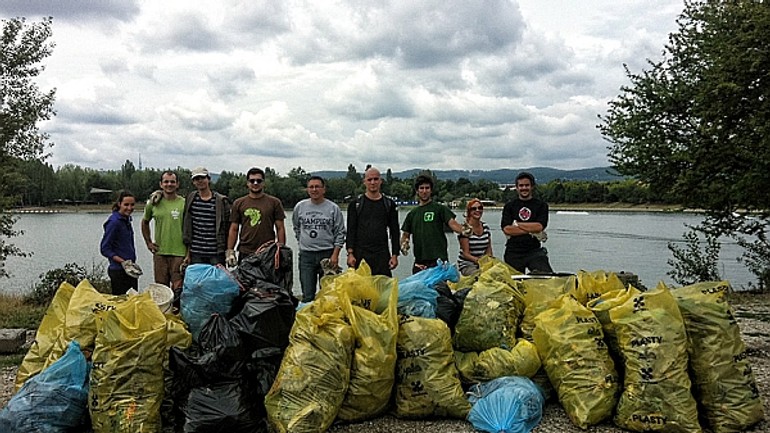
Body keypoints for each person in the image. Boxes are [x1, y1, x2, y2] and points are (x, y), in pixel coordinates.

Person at [292, 176, 346, 302]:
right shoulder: (300, 207)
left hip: (327, 254)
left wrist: (335, 255)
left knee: (329, 295)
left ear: (323, 189)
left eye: (317, 186)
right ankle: (308, 320)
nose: (314, 189)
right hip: (306, 256)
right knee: (308, 294)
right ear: (307, 189)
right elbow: (296, 227)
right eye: (311, 187)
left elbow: (340, 232)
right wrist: (302, 242)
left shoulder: (333, 208)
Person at [400, 174, 467, 274]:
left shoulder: (440, 209)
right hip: (420, 263)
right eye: (421, 188)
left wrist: (465, 230)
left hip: (439, 261)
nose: (424, 191)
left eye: (427, 188)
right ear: (417, 191)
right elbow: (405, 235)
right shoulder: (412, 214)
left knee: (440, 289)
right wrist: (403, 245)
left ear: (431, 190)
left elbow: (453, 224)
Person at [346, 167, 401, 277]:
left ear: (381, 181)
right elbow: (351, 231)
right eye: (370, 179)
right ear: (364, 182)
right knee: (360, 291)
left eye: (376, 179)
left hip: (382, 255)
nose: (373, 182)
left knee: (383, 290)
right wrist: (350, 254)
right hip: (360, 254)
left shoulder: (389, 204)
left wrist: (395, 255)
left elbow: (394, 232)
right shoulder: (355, 205)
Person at [227, 167, 286, 266]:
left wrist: (281, 249)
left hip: (268, 251)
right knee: (244, 281)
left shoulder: (274, 202)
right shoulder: (238, 203)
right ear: (247, 183)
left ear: (263, 183)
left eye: (259, 180)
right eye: (252, 181)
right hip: (245, 251)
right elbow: (234, 229)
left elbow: (280, 228)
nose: (255, 183)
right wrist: (230, 251)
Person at [142, 171, 187, 295]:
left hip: (180, 253)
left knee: (178, 289)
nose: (169, 184)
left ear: (177, 184)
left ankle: (177, 313)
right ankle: (163, 314)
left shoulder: (184, 203)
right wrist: (149, 243)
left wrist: (189, 253)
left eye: (172, 181)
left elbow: (191, 228)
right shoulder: (153, 203)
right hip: (160, 253)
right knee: (161, 290)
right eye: (166, 181)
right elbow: (145, 222)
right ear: (161, 184)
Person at [501, 171, 553, 274]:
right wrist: (531, 230)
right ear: (516, 187)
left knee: (546, 277)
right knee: (514, 284)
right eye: (521, 185)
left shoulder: (541, 206)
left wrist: (517, 224)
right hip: (513, 251)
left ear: (532, 186)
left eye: (527, 185)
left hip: (534, 251)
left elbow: (539, 227)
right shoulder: (509, 206)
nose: (524, 188)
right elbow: (507, 229)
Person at [182, 166, 231, 266]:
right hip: (196, 252)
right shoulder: (191, 199)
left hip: (216, 253)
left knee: (216, 281)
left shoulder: (221, 201)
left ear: (208, 179)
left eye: (202, 178)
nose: (200, 181)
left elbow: (228, 227)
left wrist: (228, 251)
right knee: (198, 282)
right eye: (196, 179)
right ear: (193, 182)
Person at [100, 191, 140, 295]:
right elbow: (104, 248)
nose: (129, 208)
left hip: (130, 270)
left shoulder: (126, 219)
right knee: (121, 305)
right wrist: (123, 262)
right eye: (126, 205)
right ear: (119, 204)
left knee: (133, 302)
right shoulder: (114, 222)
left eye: (132, 205)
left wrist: (130, 265)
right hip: (118, 271)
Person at [456, 198, 493, 276]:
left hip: (483, 262)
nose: (477, 210)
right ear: (469, 211)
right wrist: (479, 261)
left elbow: (489, 249)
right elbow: (466, 254)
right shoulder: (465, 229)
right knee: (479, 276)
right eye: (474, 208)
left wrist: (489, 260)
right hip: (467, 263)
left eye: (480, 208)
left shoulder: (485, 227)